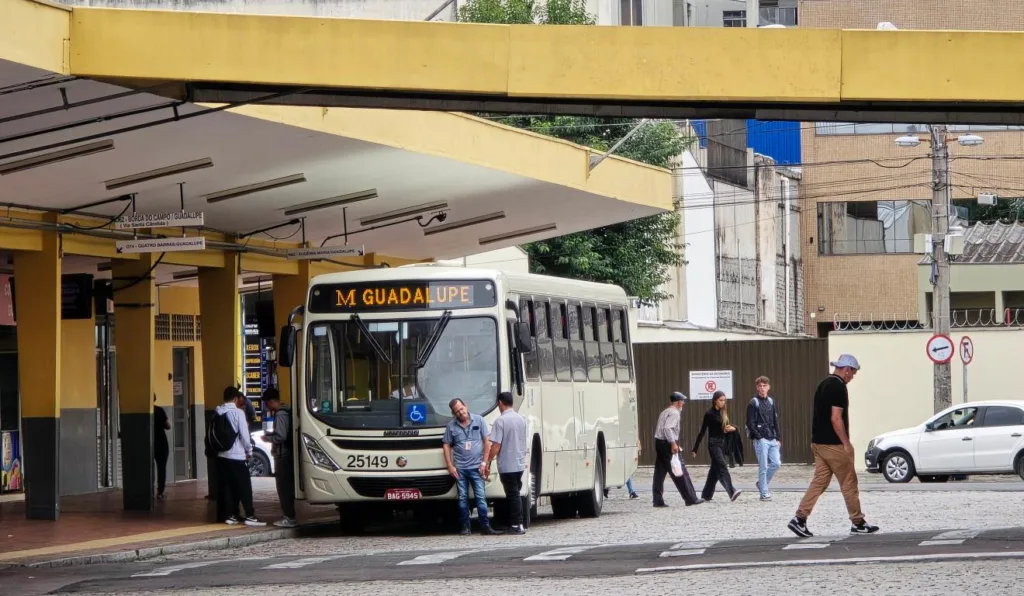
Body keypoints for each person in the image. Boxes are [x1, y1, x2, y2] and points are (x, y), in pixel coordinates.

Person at [788, 354, 878, 537]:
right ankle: (858, 522)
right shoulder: (838, 387)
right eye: (853, 373)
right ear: (847, 370)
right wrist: (846, 443)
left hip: (818, 442)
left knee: (820, 481)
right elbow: (836, 418)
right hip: (833, 444)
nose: (852, 377)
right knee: (849, 482)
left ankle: (799, 519)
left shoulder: (823, 384)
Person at [442, 398, 498, 535]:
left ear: (466, 406)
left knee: (480, 497)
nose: (461, 413)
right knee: (462, 499)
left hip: (477, 467)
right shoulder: (451, 426)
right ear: (454, 413)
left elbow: (487, 441)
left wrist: (485, 462)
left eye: (461, 409)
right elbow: (446, 444)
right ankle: (465, 527)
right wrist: (450, 466)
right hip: (460, 469)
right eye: (457, 411)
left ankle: (485, 526)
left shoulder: (479, 420)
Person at [214, 386, 265, 527]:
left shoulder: (218, 412)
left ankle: (231, 515)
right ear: (236, 398)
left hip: (222, 455)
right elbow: (245, 436)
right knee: (244, 487)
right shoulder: (238, 413)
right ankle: (250, 515)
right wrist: (249, 451)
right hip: (237, 456)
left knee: (229, 487)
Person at [485, 391, 529, 535]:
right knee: (516, 492)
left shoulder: (500, 421)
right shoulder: (521, 419)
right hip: (519, 462)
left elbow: (496, 445)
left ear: (500, 403)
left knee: (512, 494)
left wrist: (488, 461)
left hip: (507, 464)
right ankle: (519, 523)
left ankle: (517, 524)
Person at [651, 392, 702, 507]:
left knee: (659, 472)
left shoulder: (665, 411)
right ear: (679, 402)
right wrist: (673, 443)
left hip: (659, 442)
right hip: (667, 443)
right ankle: (690, 498)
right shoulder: (675, 413)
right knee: (679, 470)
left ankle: (657, 500)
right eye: (683, 401)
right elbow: (668, 428)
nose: (683, 403)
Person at [692, 391, 742, 502]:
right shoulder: (709, 414)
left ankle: (706, 495)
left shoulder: (723, 413)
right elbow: (702, 431)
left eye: (724, 400)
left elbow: (725, 428)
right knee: (722, 466)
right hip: (713, 444)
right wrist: (695, 448)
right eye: (721, 400)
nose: (723, 402)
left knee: (714, 471)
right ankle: (731, 491)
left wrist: (734, 428)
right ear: (715, 400)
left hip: (722, 444)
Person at [262, 388, 296, 528]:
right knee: (286, 486)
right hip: (286, 453)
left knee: (283, 487)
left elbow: (281, 436)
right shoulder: (287, 410)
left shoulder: (281, 414)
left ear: (271, 402)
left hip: (283, 455)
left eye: (267, 404)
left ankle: (289, 517)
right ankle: (289, 515)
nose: (267, 407)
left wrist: (268, 438)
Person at [747, 375, 782, 501]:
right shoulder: (753, 403)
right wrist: (759, 437)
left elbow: (775, 420)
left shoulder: (771, 402)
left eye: (764, 386)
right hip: (761, 439)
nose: (762, 388)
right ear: (757, 388)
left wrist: (778, 438)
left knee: (777, 463)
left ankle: (761, 484)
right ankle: (764, 493)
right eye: (760, 386)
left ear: (768, 387)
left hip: (772, 438)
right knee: (763, 466)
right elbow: (750, 423)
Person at [153, 394, 171, 500]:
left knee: (148, 468)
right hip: (161, 443)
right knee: (161, 468)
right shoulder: (159, 411)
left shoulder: (146, 413)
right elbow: (168, 426)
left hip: (149, 443)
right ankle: (160, 492)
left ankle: (148, 490)